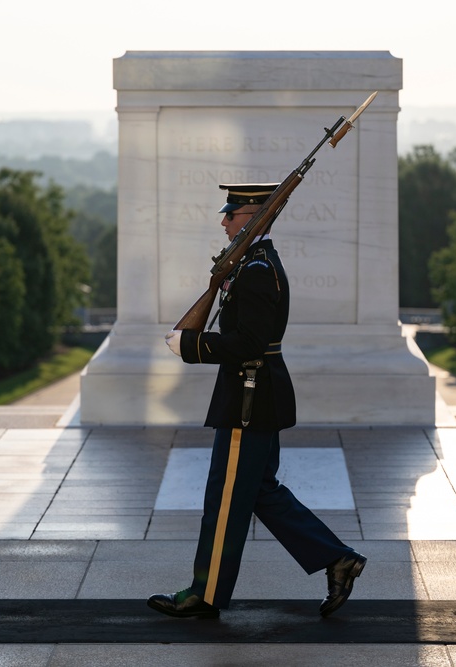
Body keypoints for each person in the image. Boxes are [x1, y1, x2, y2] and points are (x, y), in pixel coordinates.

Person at [148, 183, 367, 620]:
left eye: (231, 213)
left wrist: (193, 346)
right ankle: (337, 559)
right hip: (256, 394)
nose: (224, 220)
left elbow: (248, 343)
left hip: (248, 398)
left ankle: (203, 594)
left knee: (225, 499)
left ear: (252, 217)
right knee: (260, 492)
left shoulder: (256, 270)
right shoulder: (252, 263)